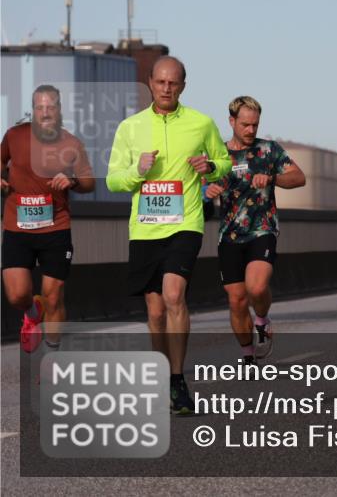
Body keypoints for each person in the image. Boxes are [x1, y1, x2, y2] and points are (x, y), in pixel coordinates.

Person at [107, 57, 232, 414]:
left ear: (183, 86)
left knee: (174, 294)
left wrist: (210, 167)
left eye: (173, 83)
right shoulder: (130, 128)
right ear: (150, 82)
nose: (166, 88)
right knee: (155, 310)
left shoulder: (200, 124)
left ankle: (178, 378)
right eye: (160, 82)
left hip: (185, 223)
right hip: (145, 228)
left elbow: (224, 162)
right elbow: (114, 179)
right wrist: (137, 171)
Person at [205, 96, 306, 365]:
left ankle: (261, 320)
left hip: (262, 230)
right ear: (232, 122)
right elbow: (200, 188)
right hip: (229, 235)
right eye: (245, 125)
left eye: (255, 125)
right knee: (237, 300)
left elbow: (299, 177)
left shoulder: (269, 150)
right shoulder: (219, 155)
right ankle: (248, 355)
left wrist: (273, 178)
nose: (251, 130)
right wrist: (208, 191)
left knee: (257, 287)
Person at [2, 85, 95, 353]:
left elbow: (89, 182)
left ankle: (51, 355)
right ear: (33, 110)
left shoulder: (71, 143)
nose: (45, 113)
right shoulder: (14, 136)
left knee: (54, 295)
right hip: (17, 227)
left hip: (56, 227)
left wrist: (73, 180)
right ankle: (32, 311)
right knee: (17, 293)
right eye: (40, 108)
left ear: (59, 110)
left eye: (50, 107)